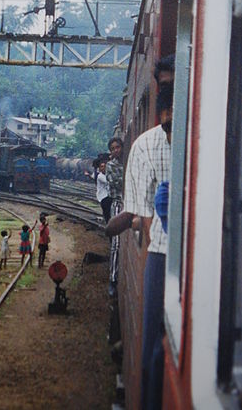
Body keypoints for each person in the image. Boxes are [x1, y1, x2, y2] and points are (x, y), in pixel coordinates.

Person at [106, 84, 173, 410]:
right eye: (170, 126)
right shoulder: (145, 147)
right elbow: (138, 216)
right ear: (161, 118)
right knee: (152, 357)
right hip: (161, 252)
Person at [105, 137, 124, 296]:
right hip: (118, 204)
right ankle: (112, 279)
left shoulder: (127, 162)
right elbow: (117, 183)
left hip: (128, 202)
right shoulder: (110, 166)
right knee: (116, 243)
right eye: (113, 148)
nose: (116, 150)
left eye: (118, 147)